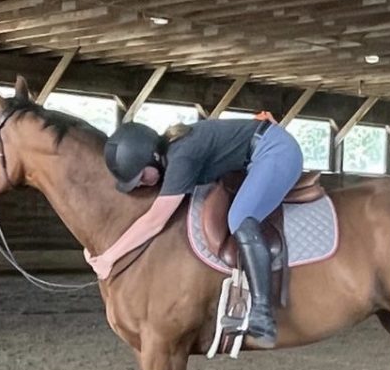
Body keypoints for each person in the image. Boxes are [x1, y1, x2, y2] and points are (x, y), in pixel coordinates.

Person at [86, 115, 304, 347]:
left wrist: (110, 256)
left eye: (140, 177)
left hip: (276, 150)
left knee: (239, 217)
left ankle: (262, 313)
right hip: (255, 152)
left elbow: (155, 221)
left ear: (153, 158)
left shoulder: (181, 157)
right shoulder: (171, 154)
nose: (140, 185)